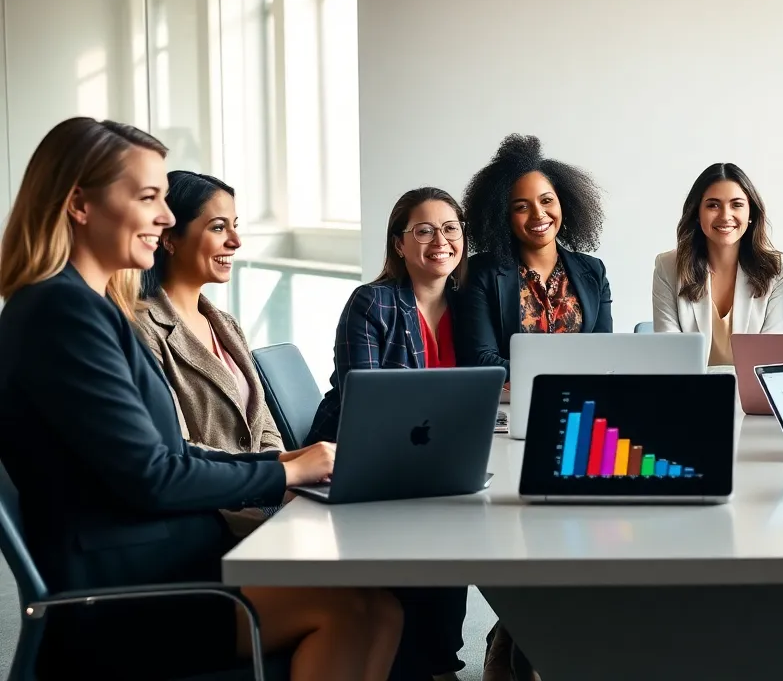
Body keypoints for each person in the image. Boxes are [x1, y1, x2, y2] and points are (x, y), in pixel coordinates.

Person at [0, 117, 401, 680]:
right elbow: (153, 474)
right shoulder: (60, 314)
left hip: (160, 563)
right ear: (79, 205)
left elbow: (164, 453)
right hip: (125, 596)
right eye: (148, 198)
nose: (165, 217)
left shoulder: (87, 307)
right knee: (358, 611)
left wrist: (280, 461)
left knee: (378, 608)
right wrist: (284, 475)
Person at [307, 187, 473, 680]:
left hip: (442, 455)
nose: (439, 240)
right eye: (423, 230)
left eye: (450, 229)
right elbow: (366, 402)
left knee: (463, 513)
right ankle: (420, 658)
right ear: (399, 244)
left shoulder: (472, 306)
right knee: (442, 514)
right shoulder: (373, 303)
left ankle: (441, 656)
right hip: (365, 454)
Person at [134, 171, 283, 537]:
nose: (235, 241)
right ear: (169, 238)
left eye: (234, 226)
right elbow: (176, 449)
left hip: (264, 496)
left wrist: (288, 481)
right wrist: (273, 477)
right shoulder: (142, 327)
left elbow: (265, 427)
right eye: (218, 228)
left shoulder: (226, 325)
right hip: (211, 513)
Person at [459, 133, 612, 379]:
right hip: (513, 403)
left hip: (579, 400)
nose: (538, 214)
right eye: (521, 207)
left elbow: (605, 351)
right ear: (503, 216)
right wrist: (554, 375)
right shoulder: (482, 273)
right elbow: (481, 357)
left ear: (564, 203)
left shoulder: (594, 271)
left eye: (547, 200)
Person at [651, 163, 783, 363]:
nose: (725, 216)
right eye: (713, 205)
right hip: (690, 391)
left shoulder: (775, 271)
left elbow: (770, 357)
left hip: (751, 392)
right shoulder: (667, 267)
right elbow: (670, 354)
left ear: (751, 214)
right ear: (697, 213)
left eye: (737, 204)